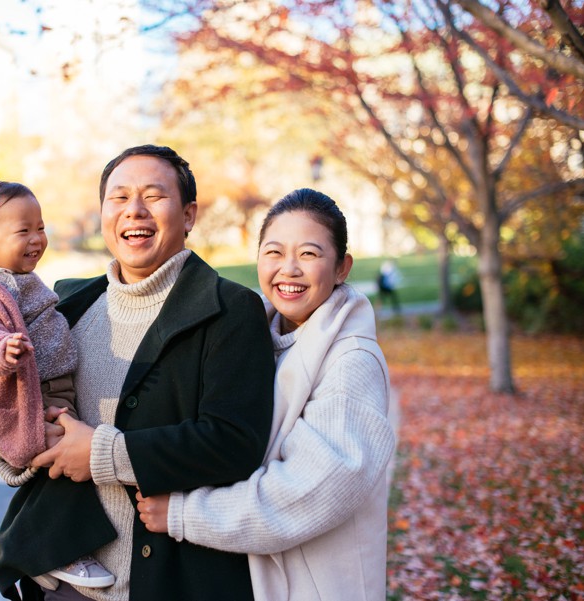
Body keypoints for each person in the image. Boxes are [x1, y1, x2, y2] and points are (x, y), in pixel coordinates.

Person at [0, 145, 276, 601]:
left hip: (169, 581)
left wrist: (103, 455)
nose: (134, 211)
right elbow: (16, 398)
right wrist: (20, 448)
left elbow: (235, 443)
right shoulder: (64, 307)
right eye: (119, 197)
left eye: (153, 196)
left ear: (188, 215)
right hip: (63, 584)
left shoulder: (230, 310)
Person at [136, 188, 397, 600]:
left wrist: (185, 513)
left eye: (309, 255)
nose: (288, 269)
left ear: (342, 267)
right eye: (274, 252)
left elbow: (308, 493)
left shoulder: (352, 362)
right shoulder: (255, 336)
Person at [0, 178, 116, 591]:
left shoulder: (18, 277)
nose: (37, 239)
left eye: (40, 227)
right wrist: (3, 348)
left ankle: (41, 549)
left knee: (67, 465)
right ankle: (52, 551)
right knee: (64, 471)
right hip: (32, 396)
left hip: (55, 388)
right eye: (24, 231)